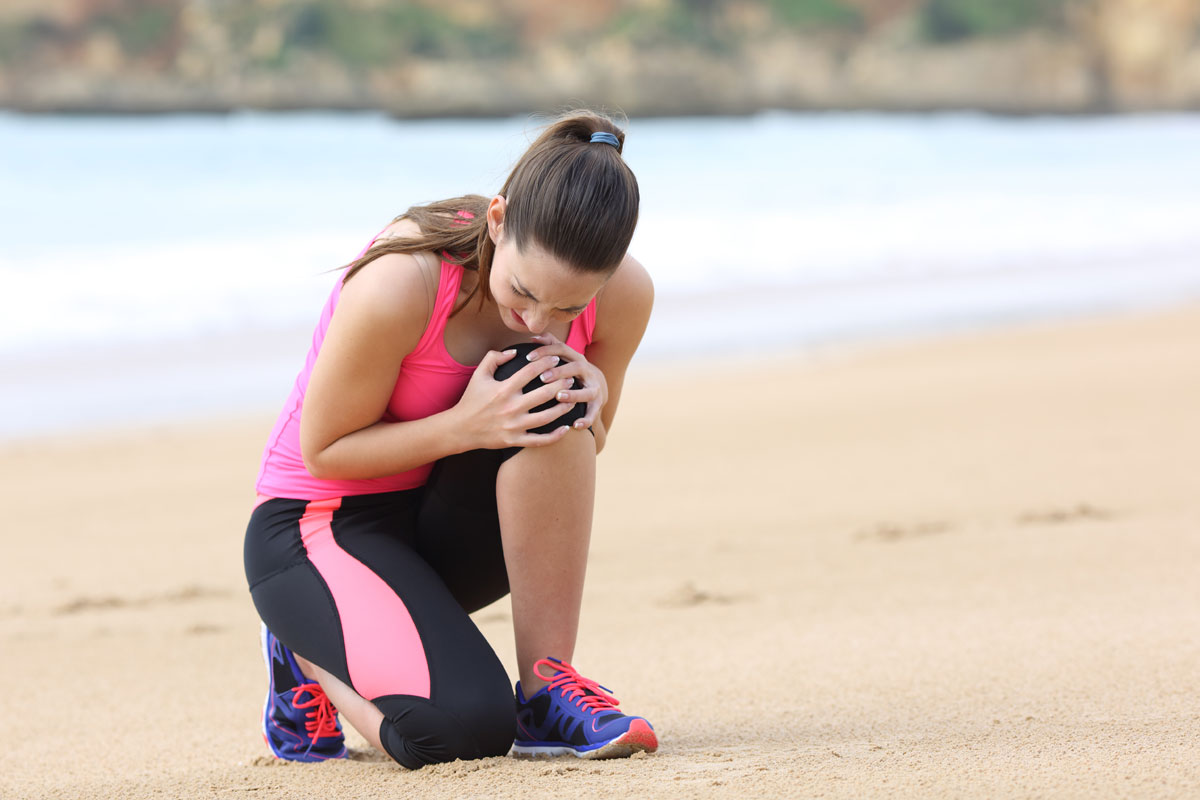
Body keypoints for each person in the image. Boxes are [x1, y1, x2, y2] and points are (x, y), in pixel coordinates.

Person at [243, 110, 657, 769]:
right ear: (498, 220)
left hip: (439, 531)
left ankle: (547, 688)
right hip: (320, 527)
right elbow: (323, 449)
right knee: (460, 734)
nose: (538, 320)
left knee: (548, 390)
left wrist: (595, 399)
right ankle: (307, 648)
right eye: (524, 292)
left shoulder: (627, 296)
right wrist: (466, 427)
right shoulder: (403, 283)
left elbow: (581, 445)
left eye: (568, 309)